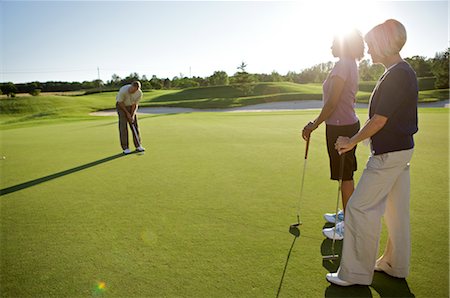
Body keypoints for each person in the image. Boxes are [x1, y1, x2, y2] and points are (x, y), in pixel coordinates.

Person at [327, 19, 418, 286]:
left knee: (358, 208)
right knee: (395, 211)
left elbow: (379, 120)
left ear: (384, 43)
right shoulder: (399, 71)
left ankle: (355, 274)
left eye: (371, 45)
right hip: (400, 152)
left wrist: (351, 140)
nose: (367, 50)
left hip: (389, 154)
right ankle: (394, 264)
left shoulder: (398, 74)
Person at [302, 29, 364, 240]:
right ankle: (346, 213)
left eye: (333, 42)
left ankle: (349, 223)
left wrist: (314, 124)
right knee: (343, 174)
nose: (330, 45)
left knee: (345, 175)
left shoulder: (342, 64)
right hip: (345, 124)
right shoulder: (350, 63)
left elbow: (333, 102)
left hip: (341, 127)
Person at [116, 81, 145, 154]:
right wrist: (127, 113)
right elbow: (120, 103)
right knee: (123, 126)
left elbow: (135, 104)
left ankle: (138, 146)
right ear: (131, 87)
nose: (133, 91)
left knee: (134, 125)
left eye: (135, 90)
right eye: (133, 90)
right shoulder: (123, 90)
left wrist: (132, 115)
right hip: (121, 107)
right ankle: (125, 148)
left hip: (131, 106)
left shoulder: (139, 93)